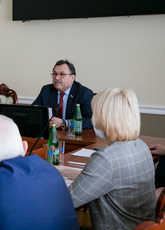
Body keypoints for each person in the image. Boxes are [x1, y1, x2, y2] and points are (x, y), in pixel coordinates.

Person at [57, 88, 155, 229]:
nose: (92, 119)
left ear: (106, 118)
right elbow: (107, 179)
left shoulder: (106, 158)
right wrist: (62, 170)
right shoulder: (141, 145)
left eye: (95, 114)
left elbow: (66, 201)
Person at [32, 59, 93, 129]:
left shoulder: (84, 93)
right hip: (50, 134)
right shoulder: (46, 90)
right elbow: (33, 111)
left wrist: (65, 123)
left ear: (72, 77)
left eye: (62, 74)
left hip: (73, 136)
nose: (57, 78)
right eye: (55, 74)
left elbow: (89, 121)